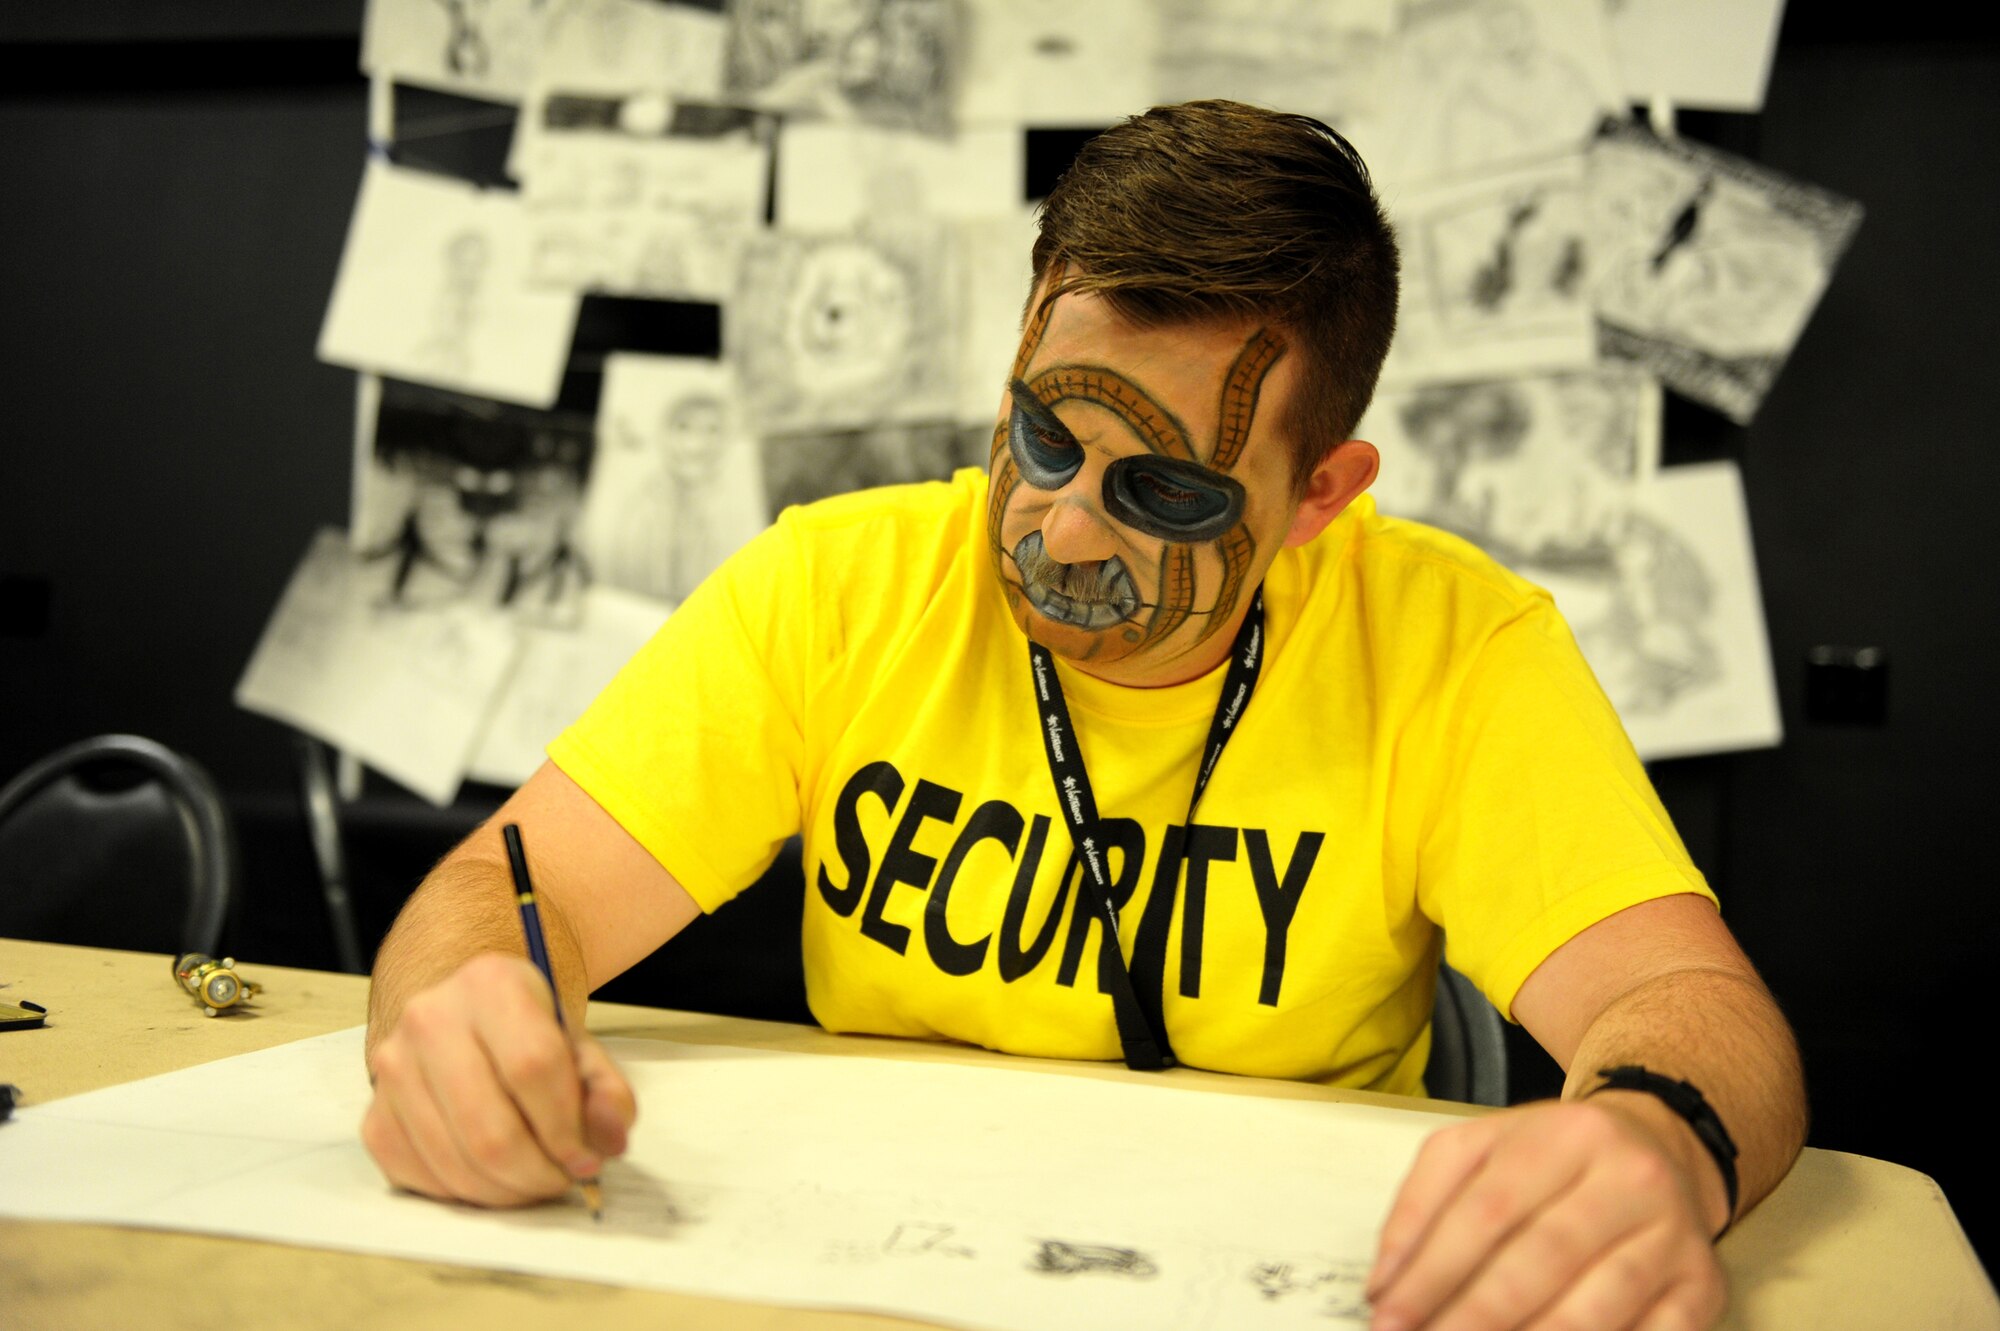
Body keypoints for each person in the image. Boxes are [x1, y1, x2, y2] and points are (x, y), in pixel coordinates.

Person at [363, 100, 1805, 1331]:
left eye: (1163, 491)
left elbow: (1690, 1005)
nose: (1059, 529)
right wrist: (468, 1010)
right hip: (871, 1273)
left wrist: (1654, 1142)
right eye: (1044, 434)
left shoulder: (1452, 648)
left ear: (1320, 494)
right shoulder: (836, 588)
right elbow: (511, 889)